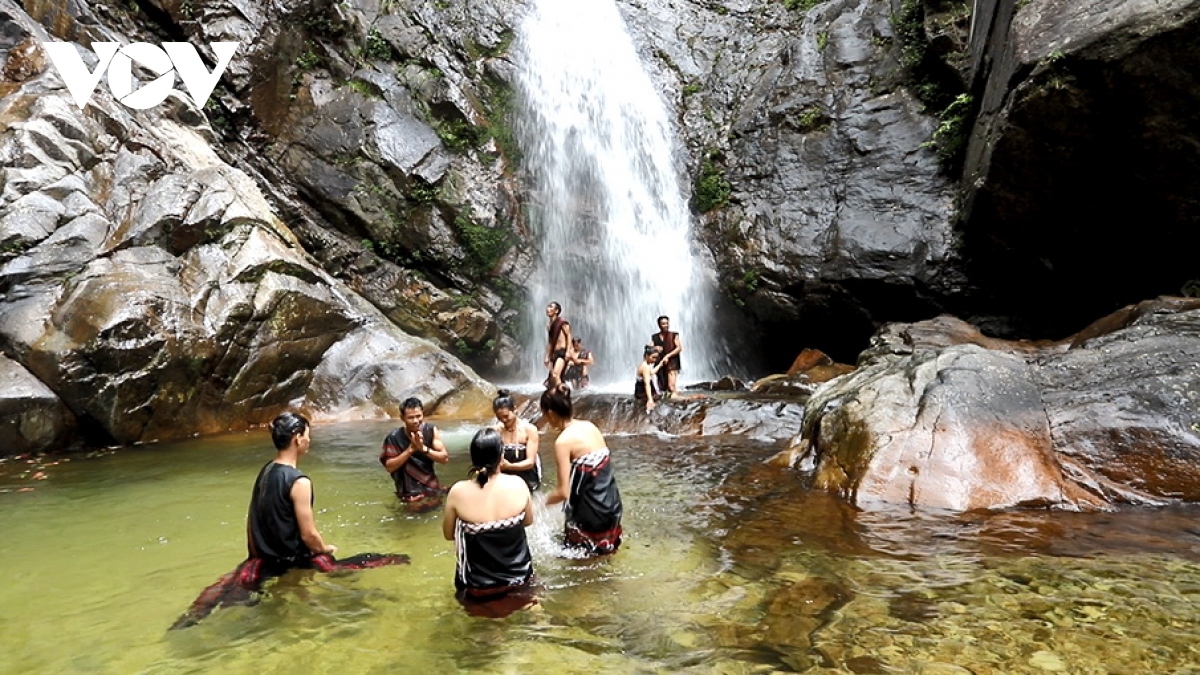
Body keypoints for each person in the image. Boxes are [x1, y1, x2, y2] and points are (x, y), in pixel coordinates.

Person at [172, 413, 409, 629]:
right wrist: (325, 549)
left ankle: (190, 619)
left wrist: (255, 553)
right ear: (297, 438)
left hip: (263, 557)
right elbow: (309, 535)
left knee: (226, 586)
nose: (309, 440)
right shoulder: (299, 481)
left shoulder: (266, 470)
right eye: (307, 435)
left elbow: (252, 516)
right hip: (289, 558)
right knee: (353, 565)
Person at [442, 428, 536, 617]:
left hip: (479, 588)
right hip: (519, 581)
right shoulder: (518, 484)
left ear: (473, 458)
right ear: (501, 456)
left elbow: (448, 534)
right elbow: (528, 521)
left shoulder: (458, 492)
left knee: (489, 639)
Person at [540, 385, 623, 556]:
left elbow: (563, 492)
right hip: (612, 505)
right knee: (606, 558)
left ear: (551, 413)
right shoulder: (590, 426)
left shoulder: (563, 442)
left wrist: (539, 504)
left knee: (582, 566)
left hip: (591, 514)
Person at [380, 397, 450, 510]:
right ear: (402, 418)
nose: (416, 421)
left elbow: (444, 458)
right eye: (411, 418)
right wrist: (410, 450)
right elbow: (390, 467)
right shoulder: (394, 438)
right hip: (408, 493)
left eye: (418, 416)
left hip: (431, 487)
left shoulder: (430, 430)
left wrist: (423, 449)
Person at [493, 389, 542, 491]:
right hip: (505, 476)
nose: (504, 420)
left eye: (506, 416)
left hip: (527, 476)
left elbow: (530, 462)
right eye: (499, 417)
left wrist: (510, 466)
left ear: (515, 410)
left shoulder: (529, 430)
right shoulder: (496, 431)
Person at [543, 301, 574, 388]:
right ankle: (560, 393)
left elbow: (569, 335)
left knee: (555, 375)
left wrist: (568, 351)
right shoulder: (549, 325)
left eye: (550, 307)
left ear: (556, 311)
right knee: (552, 379)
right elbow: (550, 342)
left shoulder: (562, 322)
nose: (547, 309)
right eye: (547, 306)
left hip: (562, 352)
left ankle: (562, 396)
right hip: (554, 354)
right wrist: (547, 356)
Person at [651, 315, 683, 396]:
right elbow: (648, 348)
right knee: (664, 388)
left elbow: (679, 348)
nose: (666, 325)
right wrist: (655, 348)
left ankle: (679, 401)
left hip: (672, 362)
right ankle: (670, 403)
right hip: (660, 363)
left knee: (671, 386)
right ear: (659, 325)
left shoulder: (674, 335)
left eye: (667, 323)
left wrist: (668, 356)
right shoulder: (655, 337)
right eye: (663, 324)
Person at [634, 345, 665, 412]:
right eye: (653, 357)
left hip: (640, 390)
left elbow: (651, 372)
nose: (655, 360)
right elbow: (647, 384)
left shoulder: (645, 364)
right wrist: (650, 399)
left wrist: (659, 365)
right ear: (647, 356)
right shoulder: (645, 367)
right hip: (642, 392)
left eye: (656, 358)